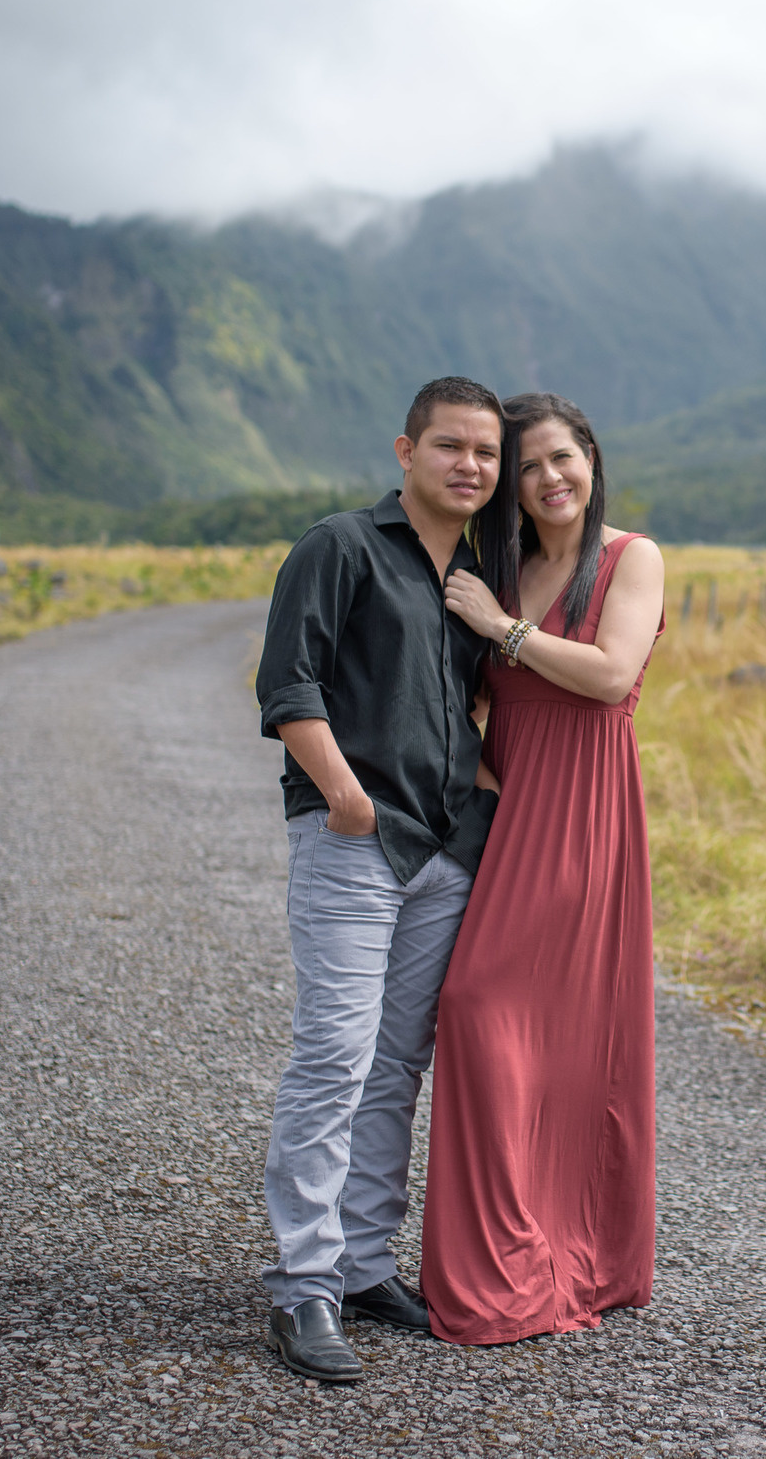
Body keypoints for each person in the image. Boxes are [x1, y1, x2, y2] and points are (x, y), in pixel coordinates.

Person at [250, 376, 507, 1382]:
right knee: (334, 1059)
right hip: (355, 842)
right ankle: (303, 1286)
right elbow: (287, 681)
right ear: (406, 449)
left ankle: (363, 1263)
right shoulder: (340, 546)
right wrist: (345, 795)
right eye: (451, 446)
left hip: (443, 851)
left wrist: (477, 804)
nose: (471, 466)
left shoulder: (473, 582)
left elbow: (470, 712)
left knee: (397, 1064)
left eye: (486, 452)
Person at [420, 391, 666, 1344]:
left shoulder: (629, 558)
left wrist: (502, 628)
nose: (548, 478)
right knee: (493, 1020)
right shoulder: (504, 568)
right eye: (527, 467)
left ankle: (576, 1253)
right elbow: (479, 711)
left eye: (561, 458)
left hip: (589, 814)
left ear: (592, 459)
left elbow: (609, 675)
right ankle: (516, 1252)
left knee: (514, 1016)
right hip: (515, 812)